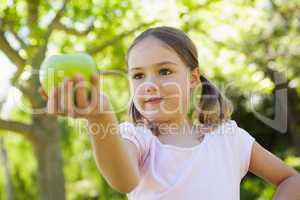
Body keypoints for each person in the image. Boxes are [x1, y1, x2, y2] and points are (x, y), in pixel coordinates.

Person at [39, 26, 300, 200]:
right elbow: (124, 180)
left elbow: (290, 179)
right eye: (138, 75)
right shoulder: (136, 138)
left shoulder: (228, 138)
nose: (149, 83)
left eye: (164, 71)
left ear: (193, 78)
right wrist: (100, 116)